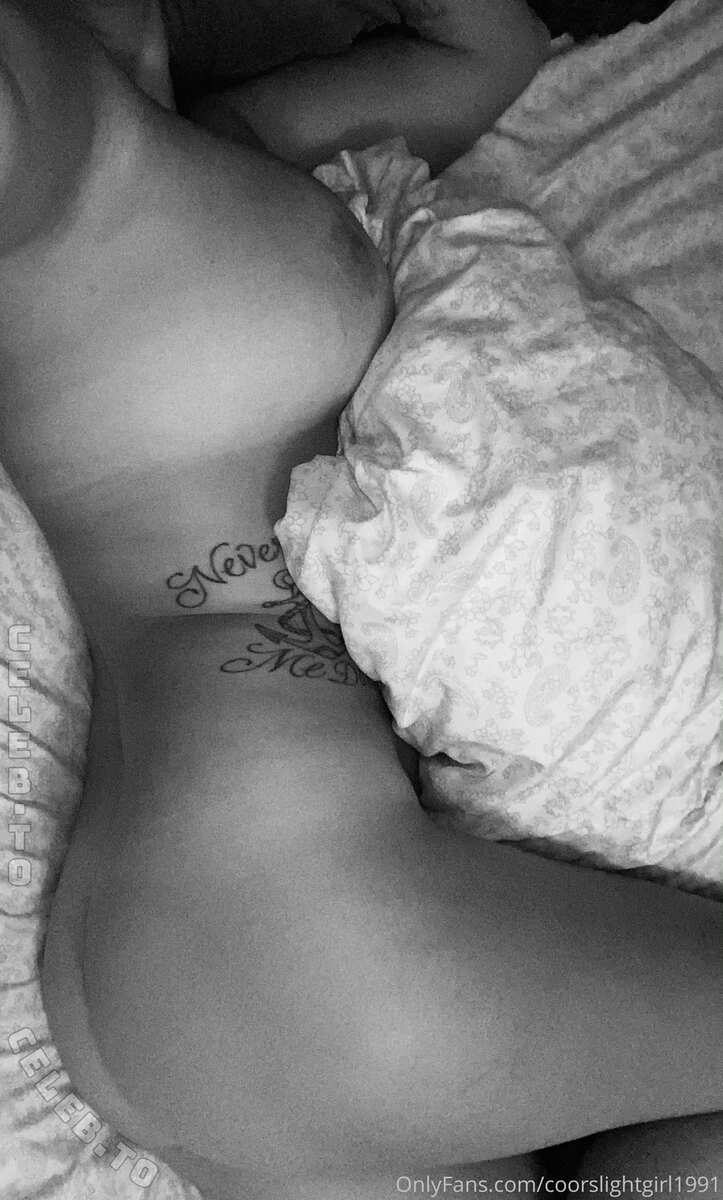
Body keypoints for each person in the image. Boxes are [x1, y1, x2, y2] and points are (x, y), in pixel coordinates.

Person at [0, 1, 719, 1198]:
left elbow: (487, 56)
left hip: (214, 963)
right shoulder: (49, 165)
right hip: (311, 927)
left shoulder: (216, 140)